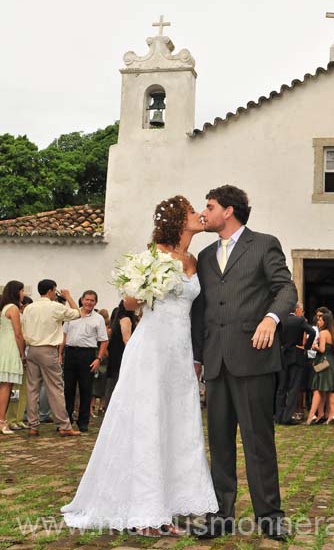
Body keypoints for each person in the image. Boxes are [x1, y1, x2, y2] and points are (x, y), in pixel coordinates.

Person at [62, 196, 218, 535]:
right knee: (147, 422)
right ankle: (145, 513)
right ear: (179, 219)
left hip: (180, 352)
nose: (199, 215)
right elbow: (130, 302)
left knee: (177, 422)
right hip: (152, 347)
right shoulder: (152, 255)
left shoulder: (193, 259)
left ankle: (169, 505)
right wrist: (142, 283)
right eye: (193, 211)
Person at [191, 185, 297, 541]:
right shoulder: (204, 257)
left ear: (229, 210)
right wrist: (196, 358)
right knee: (219, 443)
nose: (203, 212)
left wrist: (271, 318)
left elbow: (286, 289)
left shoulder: (264, 244)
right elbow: (200, 311)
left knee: (258, 442)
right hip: (216, 362)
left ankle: (270, 515)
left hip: (254, 358)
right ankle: (221, 515)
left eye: (209, 206)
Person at [22, 279, 81, 437]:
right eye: (55, 291)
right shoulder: (55, 307)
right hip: (48, 349)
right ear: (49, 291)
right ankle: (64, 425)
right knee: (55, 388)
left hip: (32, 349)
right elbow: (77, 313)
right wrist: (68, 297)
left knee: (32, 388)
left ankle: (33, 425)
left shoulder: (29, 308)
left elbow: (24, 329)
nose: (56, 293)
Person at [61, 290, 108, 432]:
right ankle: (66, 420)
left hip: (87, 355)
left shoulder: (98, 319)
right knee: (68, 389)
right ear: (81, 300)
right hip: (70, 352)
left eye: (92, 300)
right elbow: (64, 335)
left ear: (95, 302)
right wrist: (59, 353)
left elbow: (104, 340)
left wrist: (98, 359)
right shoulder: (72, 315)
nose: (89, 302)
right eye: (87, 299)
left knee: (86, 389)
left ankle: (83, 422)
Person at [274, 302, 315, 425]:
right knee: (293, 387)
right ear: (296, 309)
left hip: (282, 355)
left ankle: (279, 417)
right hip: (296, 356)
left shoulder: (280, 321)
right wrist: (306, 346)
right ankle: (287, 417)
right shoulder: (299, 320)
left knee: (281, 388)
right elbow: (312, 332)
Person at [0, 281, 26, 434]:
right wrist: (22, 353)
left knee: (4, 385)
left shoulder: (4, 308)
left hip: (4, 345)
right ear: (17, 292)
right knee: (6, 386)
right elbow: (18, 333)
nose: (23, 293)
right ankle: (2, 421)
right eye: (22, 290)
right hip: (10, 347)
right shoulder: (13, 308)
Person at [306, 312, 334, 425]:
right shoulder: (333, 332)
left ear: (325, 322)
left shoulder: (324, 333)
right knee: (330, 390)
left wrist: (314, 346)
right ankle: (330, 414)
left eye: (320, 320)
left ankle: (312, 415)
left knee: (318, 388)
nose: (318, 322)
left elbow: (322, 349)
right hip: (331, 362)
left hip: (323, 362)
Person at [104, 300, 136, 410]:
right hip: (120, 355)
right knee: (116, 383)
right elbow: (127, 340)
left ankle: (109, 408)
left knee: (112, 383)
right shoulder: (126, 319)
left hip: (114, 355)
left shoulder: (117, 319)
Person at [7, 295, 32, 431]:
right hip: (17, 354)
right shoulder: (16, 316)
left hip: (27, 354)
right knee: (14, 390)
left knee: (23, 389)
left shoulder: (27, 319)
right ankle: (11, 418)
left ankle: (19, 417)